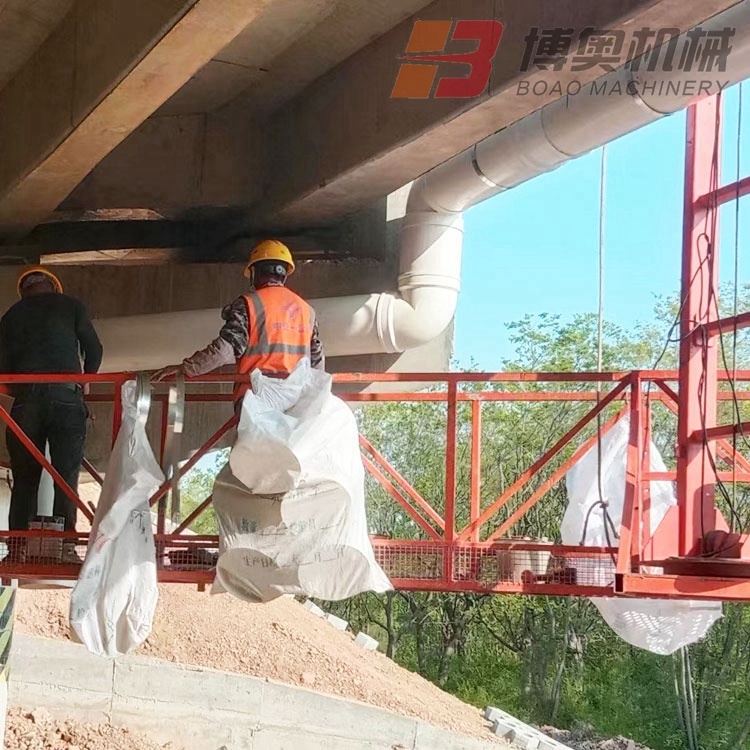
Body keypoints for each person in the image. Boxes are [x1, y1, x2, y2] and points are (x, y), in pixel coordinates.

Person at [0, 266, 103, 563]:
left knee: (25, 478)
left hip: (26, 402)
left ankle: (17, 550)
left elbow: (3, 366)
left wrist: (20, 392)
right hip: (66, 399)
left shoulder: (10, 316)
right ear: (53, 286)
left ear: (24, 291)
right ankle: (65, 548)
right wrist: (84, 384)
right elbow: (94, 350)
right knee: (65, 475)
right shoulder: (71, 306)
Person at [152, 240, 324, 399]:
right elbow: (317, 361)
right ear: (284, 274)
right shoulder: (306, 310)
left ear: (255, 272)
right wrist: (313, 398)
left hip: (258, 397)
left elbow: (224, 350)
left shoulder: (250, 304)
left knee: (255, 433)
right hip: (297, 397)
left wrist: (187, 368)